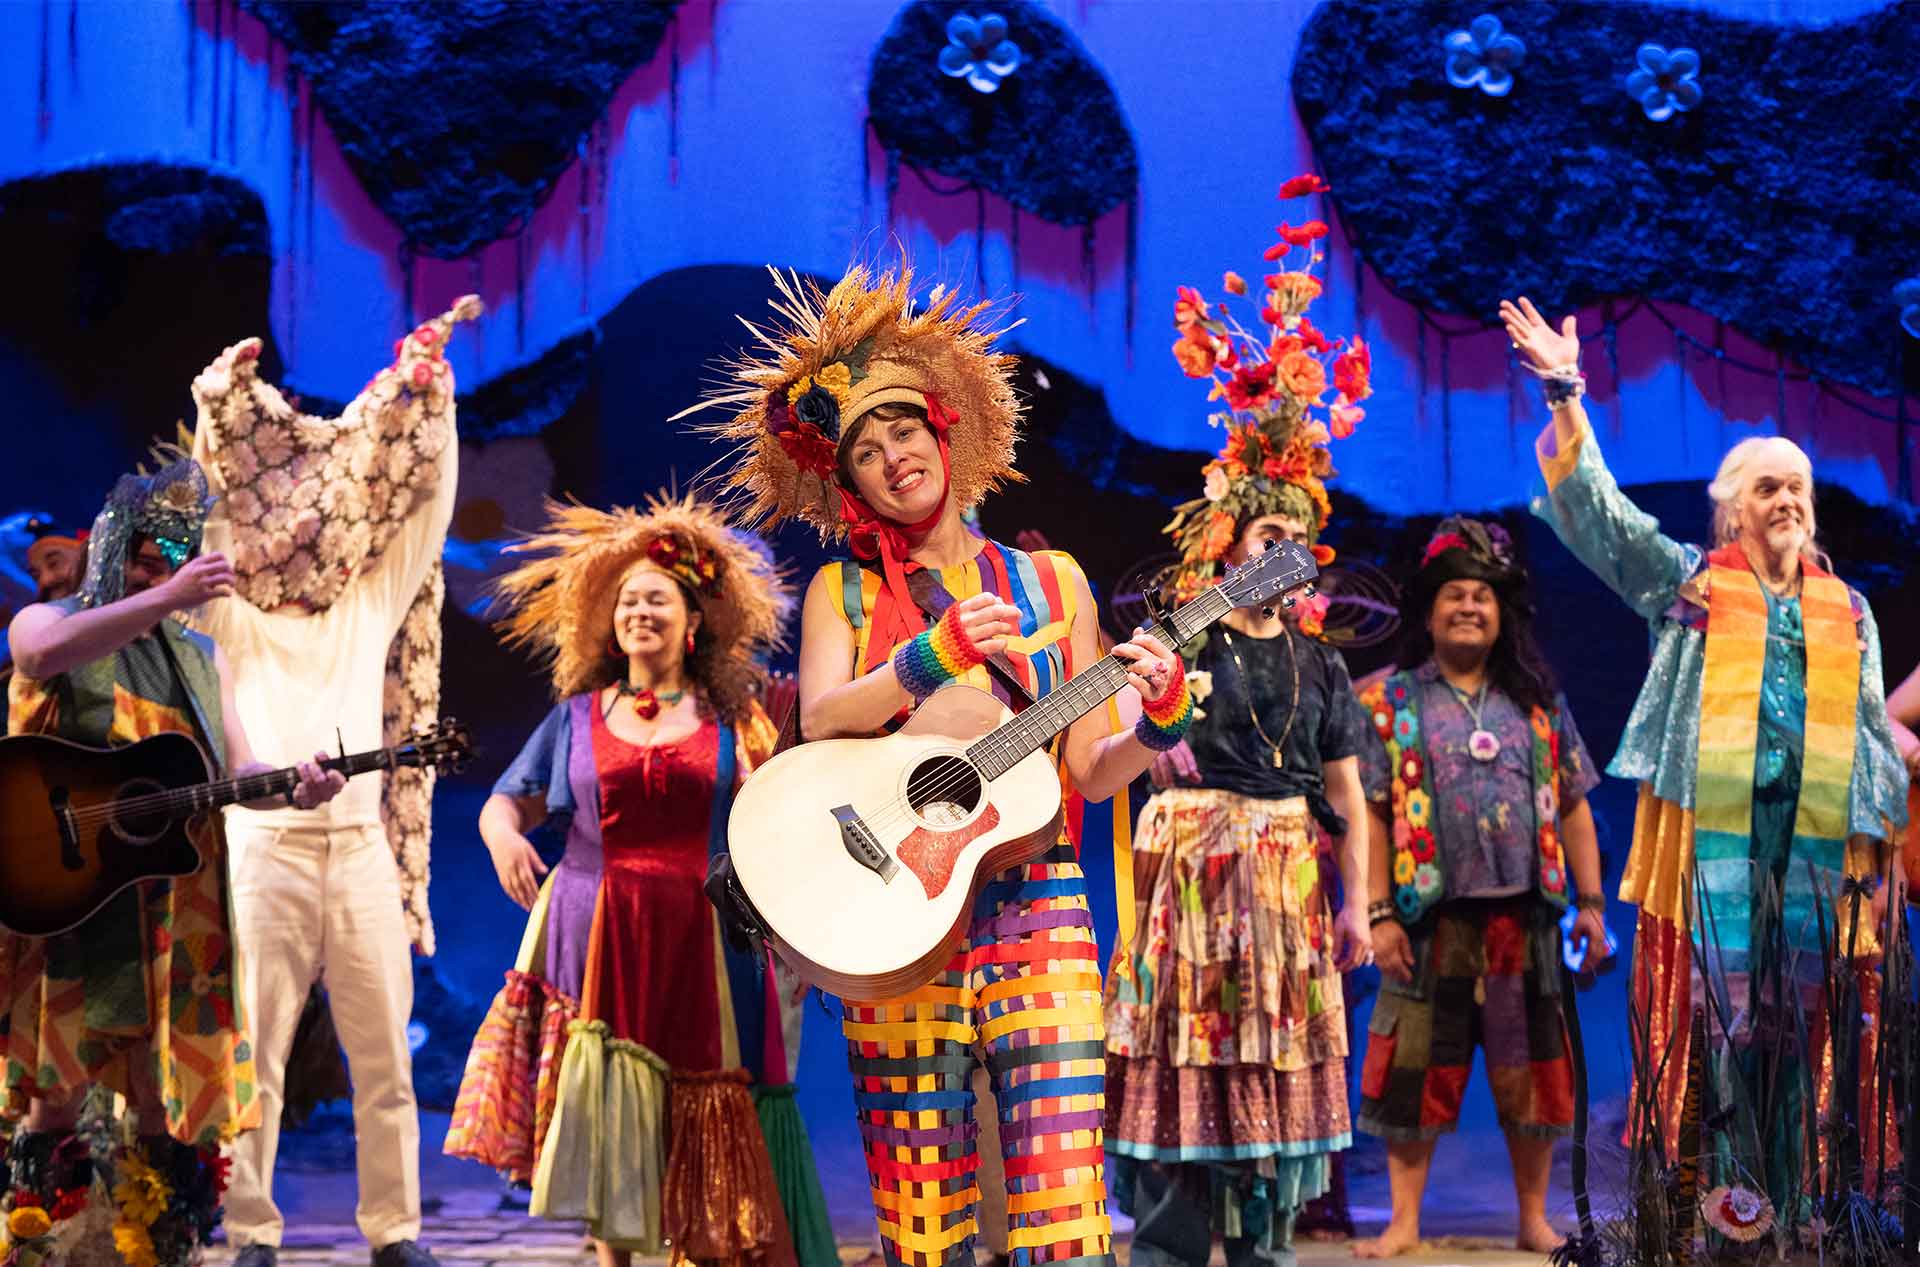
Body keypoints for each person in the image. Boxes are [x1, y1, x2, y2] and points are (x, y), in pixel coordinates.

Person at [691, 263, 1185, 1267]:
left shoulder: (1052, 580)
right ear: (854, 484)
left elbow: (1088, 768)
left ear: (941, 434)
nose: (891, 458)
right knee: (924, 1227)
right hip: (894, 919)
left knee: (1066, 1208)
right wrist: (931, 657)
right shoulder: (845, 591)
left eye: (902, 433)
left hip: (1036, 906)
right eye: (866, 452)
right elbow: (823, 719)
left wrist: (1159, 720)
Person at [1509, 295, 1908, 1224]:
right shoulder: (1691, 588)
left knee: (1808, 1038)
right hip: (1718, 843)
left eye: (1798, 487)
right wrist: (1567, 392)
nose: (1788, 502)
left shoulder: (1848, 611)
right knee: (1721, 1034)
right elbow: (1602, 519)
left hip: (1810, 855)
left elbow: (1875, 750)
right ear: (1732, 510)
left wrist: (1878, 861)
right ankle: (1719, 1215)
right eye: (1768, 487)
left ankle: (1799, 1208)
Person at [444, 493, 833, 1267]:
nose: (639, 611)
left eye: (657, 598)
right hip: (595, 930)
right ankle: (611, 1258)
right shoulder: (577, 716)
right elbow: (503, 802)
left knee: (699, 1093)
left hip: (702, 937)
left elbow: (777, 825)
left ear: (693, 623)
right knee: (607, 1101)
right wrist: (502, 841)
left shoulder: (738, 720)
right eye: (628, 600)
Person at [186, 296, 483, 1267]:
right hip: (264, 848)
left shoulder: (364, 599)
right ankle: (252, 1231)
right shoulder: (232, 607)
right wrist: (219, 404)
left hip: (358, 847)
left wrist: (432, 395)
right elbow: (219, 494)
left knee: (384, 1057)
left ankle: (394, 1232)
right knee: (258, 1056)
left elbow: (425, 513)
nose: (303, 521)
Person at [1102, 219, 1374, 1267]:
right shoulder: (1182, 636)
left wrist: (1358, 900)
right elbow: (1128, 733)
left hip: (1285, 878)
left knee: (1269, 1066)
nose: (1285, 554)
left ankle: (1262, 1245)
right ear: (1232, 544)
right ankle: (1170, 1243)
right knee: (1186, 1054)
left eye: (1297, 542)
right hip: (1191, 874)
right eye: (1268, 537)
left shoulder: (1324, 666)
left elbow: (1347, 798)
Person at [1, 455, 343, 1267]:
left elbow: (236, 772)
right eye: (145, 558)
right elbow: (42, 661)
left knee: (165, 1100)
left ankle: (162, 1246)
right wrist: (165, 596)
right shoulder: (50, 620)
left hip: (172, 904)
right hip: (72, 891)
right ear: (113, 547)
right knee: (57, 1095)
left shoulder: (200, 657)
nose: (158, 572)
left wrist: (292, 788)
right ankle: (33, 1245)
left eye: (172, 560)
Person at [1348, 517, 1609, 1258]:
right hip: (1427, 920)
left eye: (1483, 596)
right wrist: (1377, 915)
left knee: (1535, 1077)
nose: (1469, 606)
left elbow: (1576, 807)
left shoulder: (1537, 703)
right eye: (1454, 595)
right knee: (1411, 1071)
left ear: (1503, 613)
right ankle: (1402, 1222)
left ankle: (1533, 1218)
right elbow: (1369, 813)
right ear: (1428, 613)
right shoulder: (1391, 704)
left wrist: (1590, 907)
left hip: (1524, 922)